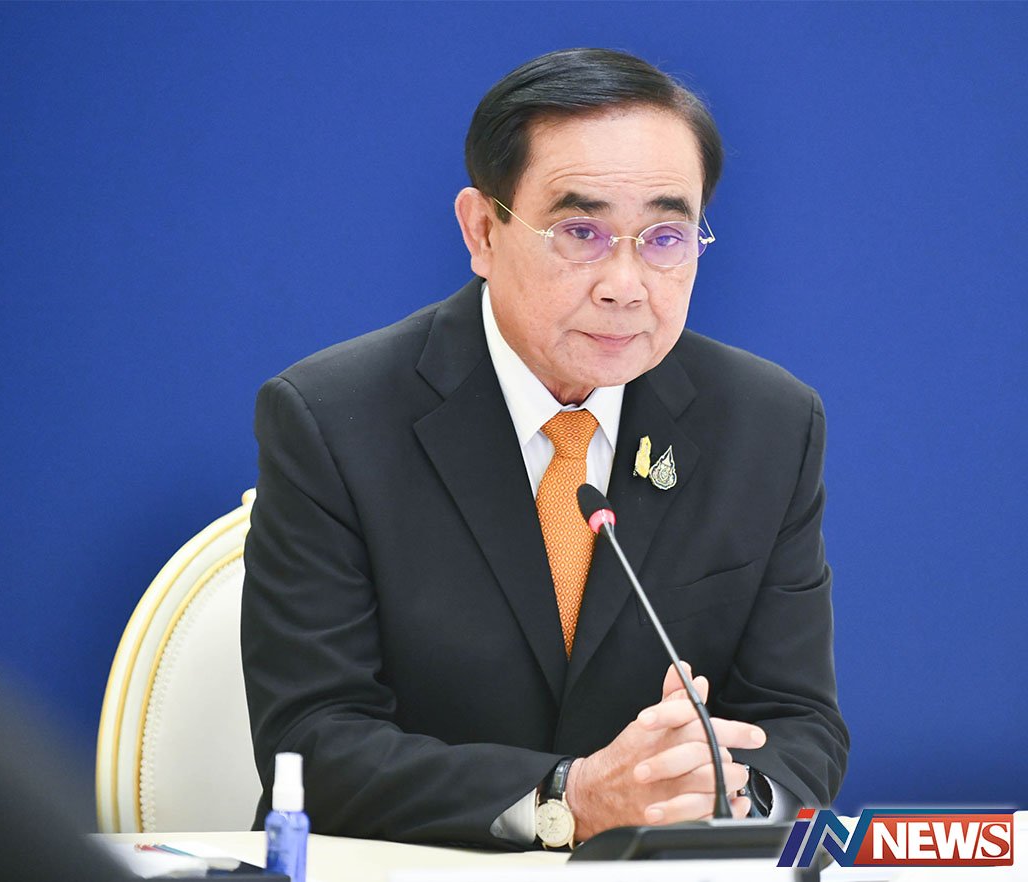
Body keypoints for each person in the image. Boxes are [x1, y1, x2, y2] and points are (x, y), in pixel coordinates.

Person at [241, 47, 849, 850]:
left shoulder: (767, 425)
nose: (626, 284)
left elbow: (799, 723)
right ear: (482, 231)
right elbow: (313, 739)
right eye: (581, 231)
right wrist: (567, 798)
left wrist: (725, 789)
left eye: (665, 237)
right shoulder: (333, 419)